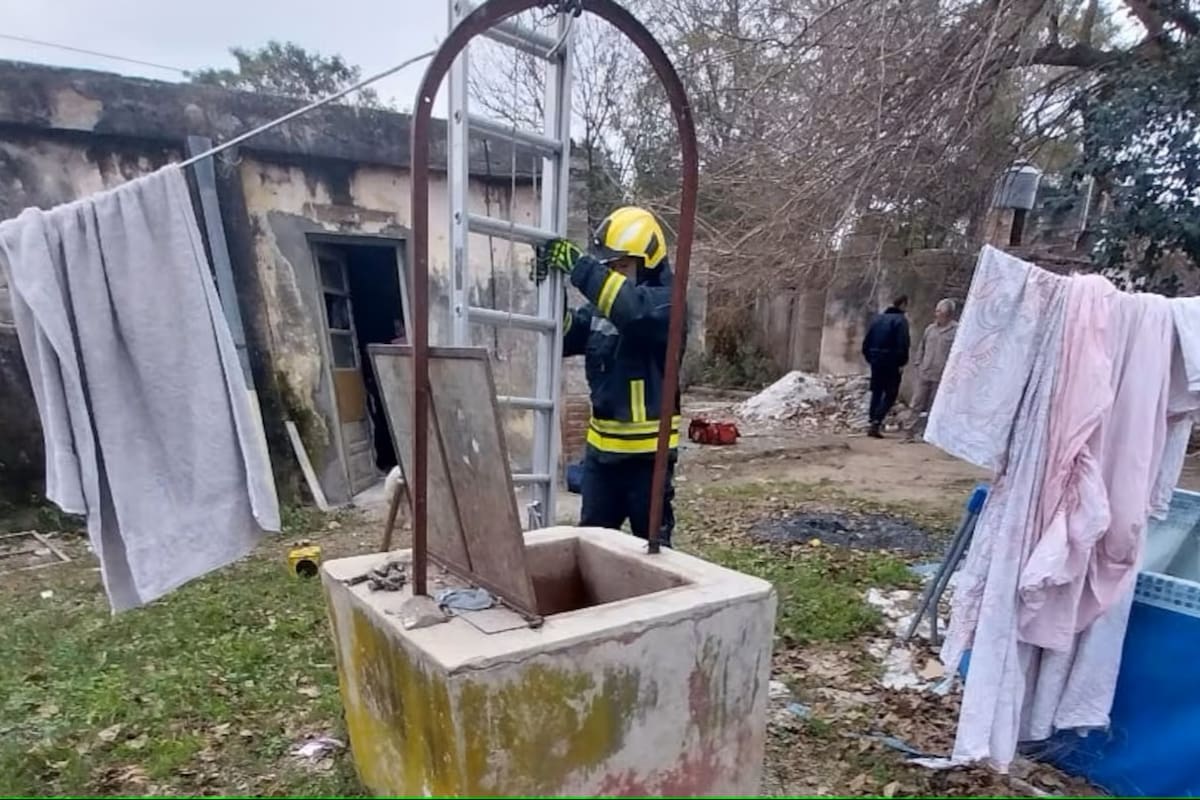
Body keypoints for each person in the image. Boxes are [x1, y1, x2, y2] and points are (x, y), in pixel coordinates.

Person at [535, 206, 682, 547]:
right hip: (601, 461)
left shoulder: (667, 305)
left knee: (655, 556)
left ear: (648, 261)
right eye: (610, 267)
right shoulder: (603, 309)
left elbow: (631, 310)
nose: (615, 273)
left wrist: (580, 267)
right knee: (592, 547)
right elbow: (566, 335)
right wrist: (550, 290)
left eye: (622, 266)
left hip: (649, 462)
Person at [907, 298, 958, 441]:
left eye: (940, 312)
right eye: (937, 311)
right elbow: (922, 347)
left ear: (948, 314)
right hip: (925, 372)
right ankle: (909, 431)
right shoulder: (930, 329)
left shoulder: (956, 331)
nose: (936, 314)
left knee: (934, 406)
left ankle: (929, 433)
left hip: (942, 375)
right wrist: (918, 363)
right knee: (916, 402)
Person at [861, 294, 911, 438]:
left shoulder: (878, 319)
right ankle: (876, 422)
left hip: (876, 361)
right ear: (903, 305)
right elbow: (903, 344)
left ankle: (872, 420)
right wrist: (902, 362)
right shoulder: (901, 321)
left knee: (877, 391)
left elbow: (866, 342)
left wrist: (871, 358)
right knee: (891, 393)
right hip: (892, 362)